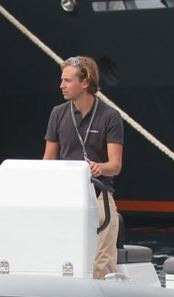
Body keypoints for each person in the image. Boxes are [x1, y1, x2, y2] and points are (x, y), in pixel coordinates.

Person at [43, 55, 124, 280]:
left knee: (102, 261)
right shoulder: (57, 114)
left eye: (67, 80)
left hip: (99, 193)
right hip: (65, 194)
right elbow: (48, 161)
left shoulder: (110, 116)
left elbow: (115, 165)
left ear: (85, 82)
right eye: (62, 80)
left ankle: (103, 294)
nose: (61, 85)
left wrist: (99, 168)